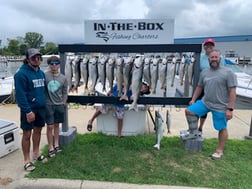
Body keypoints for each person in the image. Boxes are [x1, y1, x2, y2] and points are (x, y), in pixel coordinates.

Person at [185, 49, 237, 160]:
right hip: (205, 102)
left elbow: (232, 92)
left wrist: (230, 109)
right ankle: (193, 132)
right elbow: (200, 87)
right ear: (208, 59)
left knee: (221, 128)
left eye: (216, 57)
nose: (214, 59)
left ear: (220, 58)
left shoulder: (228, 73)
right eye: (212, 57)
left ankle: (219, 150)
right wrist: (193, 99)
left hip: (221, 106)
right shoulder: (204, 72)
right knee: (189, 111)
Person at [14, 48, 48, 172]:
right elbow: (20, 95)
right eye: (33, 57)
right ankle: (27, 160)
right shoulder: (21, 74)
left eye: (38, 57)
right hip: (28, 109)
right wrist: (28, 111)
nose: (36, 59)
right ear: (27, 59)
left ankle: (36, 153)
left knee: (38, 131)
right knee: (27, 134)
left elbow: (43, 90)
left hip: (40, 108)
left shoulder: (41, 72)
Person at [86, 81, 150, 137]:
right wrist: (110, 91)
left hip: (120, 103)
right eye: (145, 87)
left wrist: (146, 103)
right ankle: (91, 120)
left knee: (120, 118)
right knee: (101, 109)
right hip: (113, 97)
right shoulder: (133, 82)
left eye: (145, 90)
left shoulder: (137, 91)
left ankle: (119, 134)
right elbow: (118, 84)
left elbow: (138, 97)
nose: (144, 89)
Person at [198, 38, 226, 132]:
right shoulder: (200, 56)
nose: (208, 46)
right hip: (203, 86)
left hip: (216, 87)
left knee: (218, 109)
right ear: (204, 46)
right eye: (207, 45)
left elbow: (224, 72)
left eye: (211, 45)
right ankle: (200, 127)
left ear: (213, 46)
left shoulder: (219, 58)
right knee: (201, 107)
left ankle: (221, 129)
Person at [45, 56, 68, 158]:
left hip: (59, 105)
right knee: (49, 126)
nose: (54, 65)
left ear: (59, 65)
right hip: (48, 105)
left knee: (56, 126)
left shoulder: (63, 78)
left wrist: (64, 102)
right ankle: (50, 147)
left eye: (56, 63)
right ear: (49, 65)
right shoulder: (45, 75)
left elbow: (64, 91)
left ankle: (57, 144)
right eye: (51, 63)